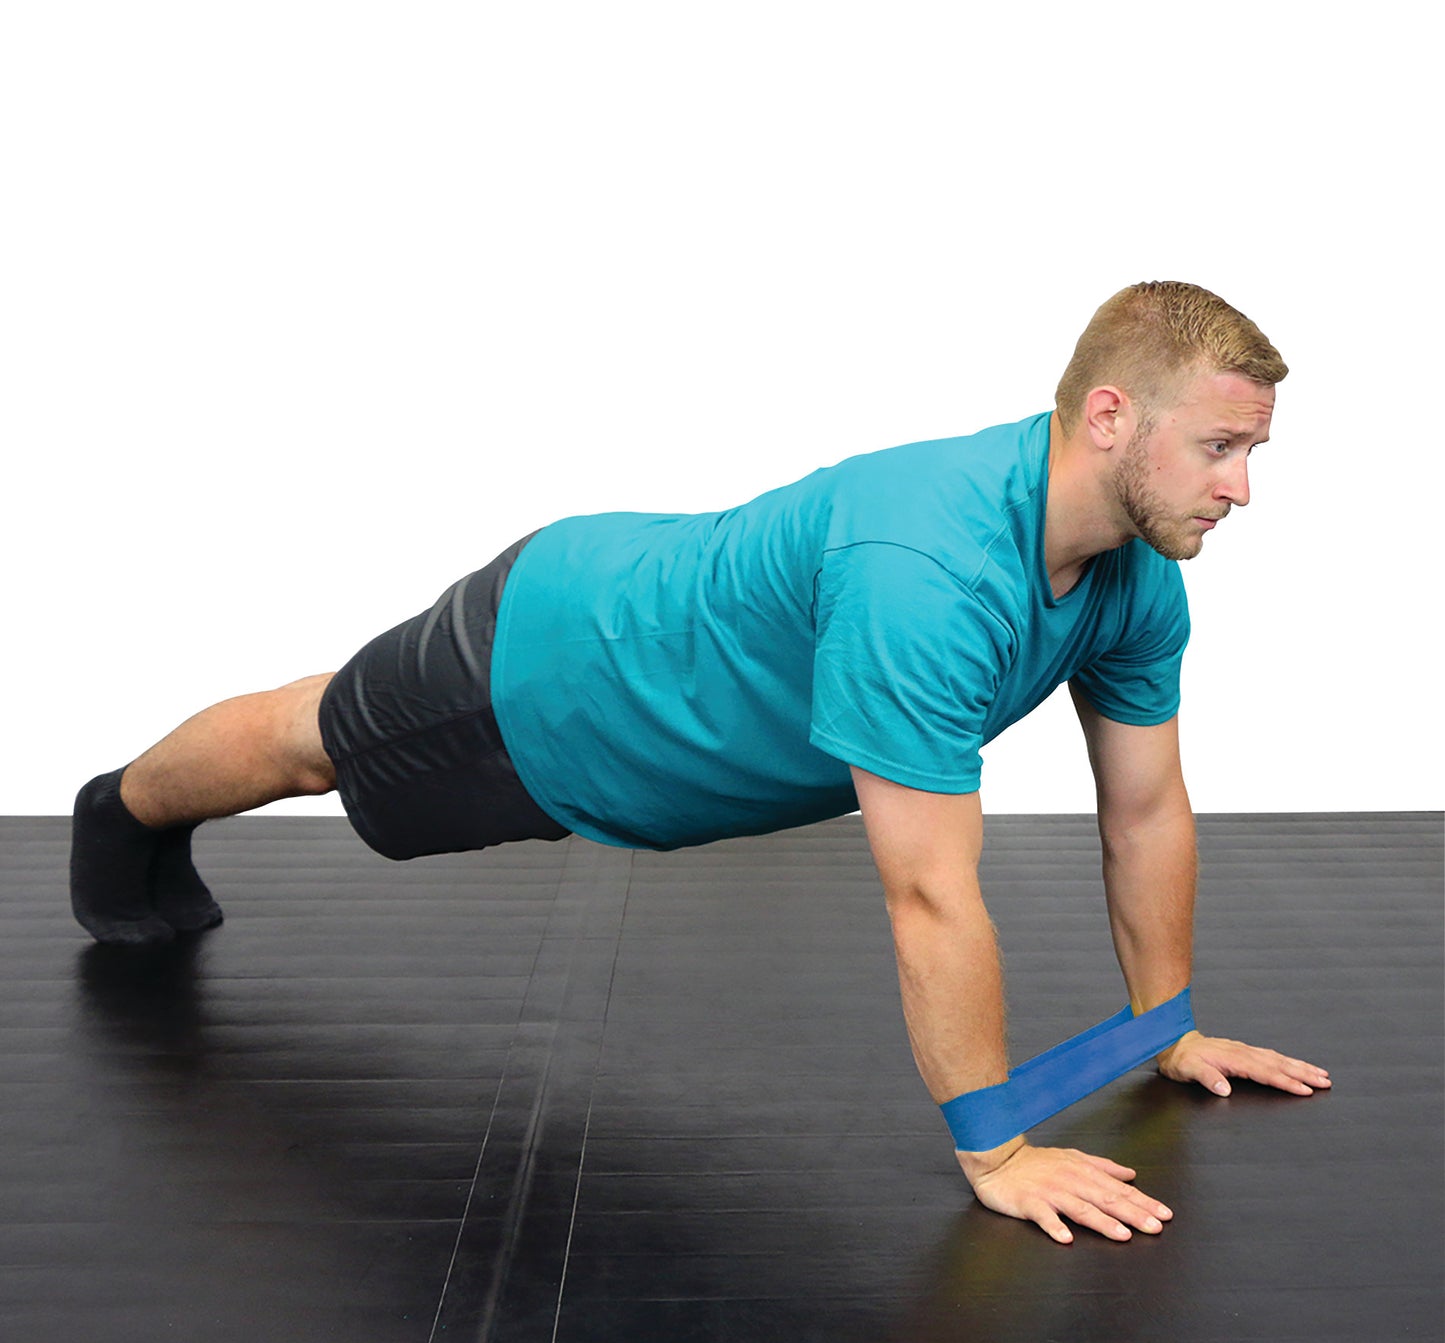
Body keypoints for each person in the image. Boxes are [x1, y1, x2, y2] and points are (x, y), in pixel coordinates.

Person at [70, 280, 1331, 1243]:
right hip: (559, 674)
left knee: (324, 731)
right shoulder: (925, 576)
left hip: (644, 665)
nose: (1239, 487)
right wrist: (995, 1151)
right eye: (1218, 448)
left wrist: (1164, 1026)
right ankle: (119, 812)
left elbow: (1146, 810)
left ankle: (137, 808)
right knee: (319, 740)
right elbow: (929, 892)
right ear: (1108, 415)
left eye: (1250, 454)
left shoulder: (1132, 581)